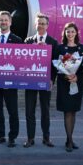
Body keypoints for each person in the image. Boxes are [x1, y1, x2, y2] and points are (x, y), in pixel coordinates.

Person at [0, 10, 23, 147]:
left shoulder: (17, 40)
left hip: (10, 82)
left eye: (5, 20)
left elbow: (21, 62)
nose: (3, 22)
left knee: (12, 110)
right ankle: (0, 135)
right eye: (1, 20)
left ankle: (12, 137)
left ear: (10, 22)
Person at [23, 13, 58, 148]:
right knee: (29, 111)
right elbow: (23, 61)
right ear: (35, 24)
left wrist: (52, 79)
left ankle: (46, 138)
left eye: (43, 23)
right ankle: (30, 138)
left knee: (45, 110)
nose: (41, 25)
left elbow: (55, 64)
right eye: (39, 23)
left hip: (45, 81)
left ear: (47, 25)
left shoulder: (53, 42)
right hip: (30, 81)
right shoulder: (28, 41)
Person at [54, 23, 83, 152]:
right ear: (64, 33)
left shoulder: (82, 48)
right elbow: (55, 65)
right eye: (68, 31)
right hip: (64, 83)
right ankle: (69, 141)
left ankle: (70, 139)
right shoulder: (60, 48)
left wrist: (77, 77)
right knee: (67, 112)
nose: (70, 34)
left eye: (72, 31)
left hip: (76, 83)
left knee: (73, 112)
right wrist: (66, 75)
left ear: (76, 33)